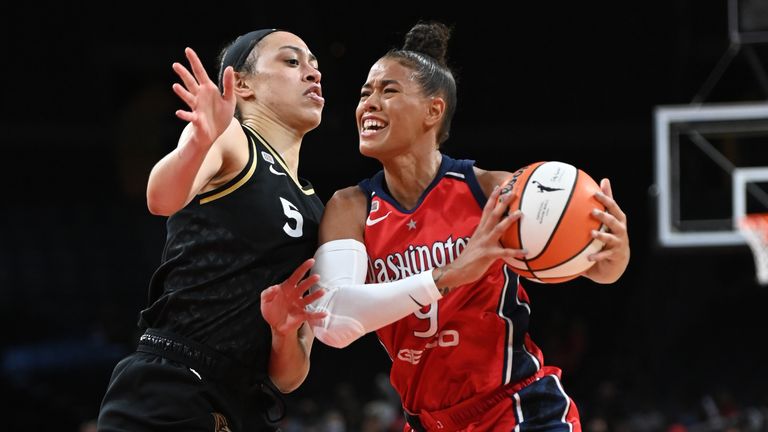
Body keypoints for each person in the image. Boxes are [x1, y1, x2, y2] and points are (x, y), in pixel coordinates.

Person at [306, 21, 630, 432]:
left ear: (433, 110)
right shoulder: (350, 207)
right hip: (426, 421)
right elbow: (333, 323)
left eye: (388, 91)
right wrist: (447, 276)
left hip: (519, 408)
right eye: (365, 93)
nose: (368, 103)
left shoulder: (493, 190)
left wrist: (612, 253)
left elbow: (591, 267)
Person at [97, 28, 329, 431]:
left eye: (315, 65)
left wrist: (283, 331)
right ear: (241, 84)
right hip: (173, 380)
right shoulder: (229, 137)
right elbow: (161, 198)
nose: (313, 73)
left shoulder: (317, 208)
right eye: (293, 62)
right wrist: (198, 142)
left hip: (246, 404)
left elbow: (288, 378)